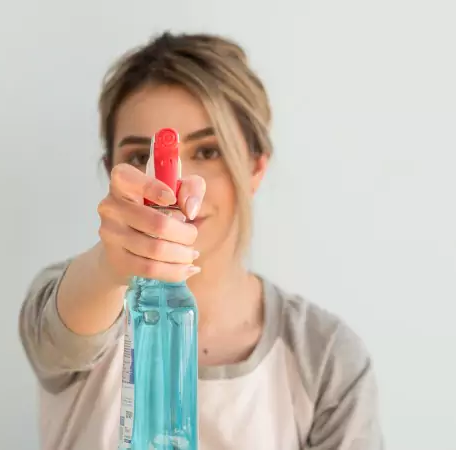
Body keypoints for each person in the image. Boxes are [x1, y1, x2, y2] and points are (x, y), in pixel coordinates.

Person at [19, 31, 384, 450]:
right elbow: (62, 339)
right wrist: (108, 266)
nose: (175, 186)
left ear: (255, 167)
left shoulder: (325, 356)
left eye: (208, 152)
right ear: (112, 171)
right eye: (141, 157)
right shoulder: (79, 298)